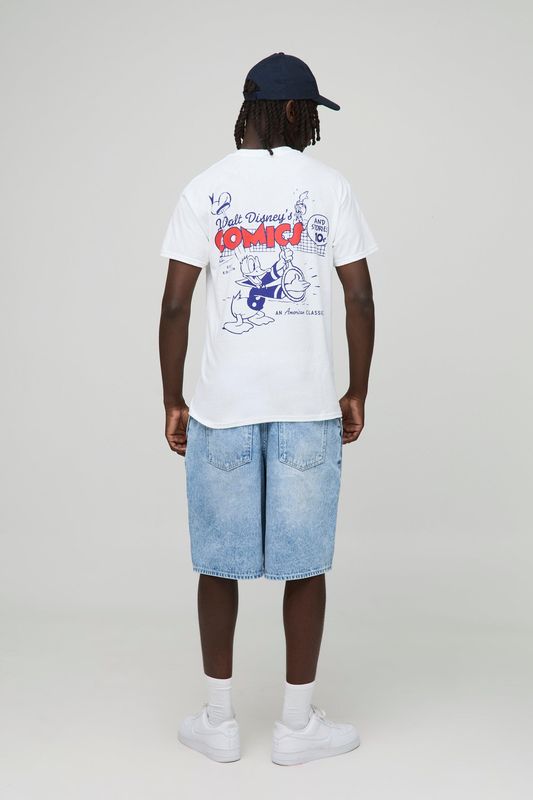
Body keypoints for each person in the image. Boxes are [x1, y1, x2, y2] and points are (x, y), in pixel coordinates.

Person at [158, 52, 378, 766]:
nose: (312, 125)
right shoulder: (329, 187)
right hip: (307, 407)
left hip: (221, 407)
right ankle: (296, 726)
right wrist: (356, 389)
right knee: (304, 566)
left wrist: (173, 399)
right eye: (310, 112)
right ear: (290, 111)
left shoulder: (203, 188)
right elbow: (358, 296)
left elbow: (174, 305)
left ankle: (218, 723)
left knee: (217, 566)